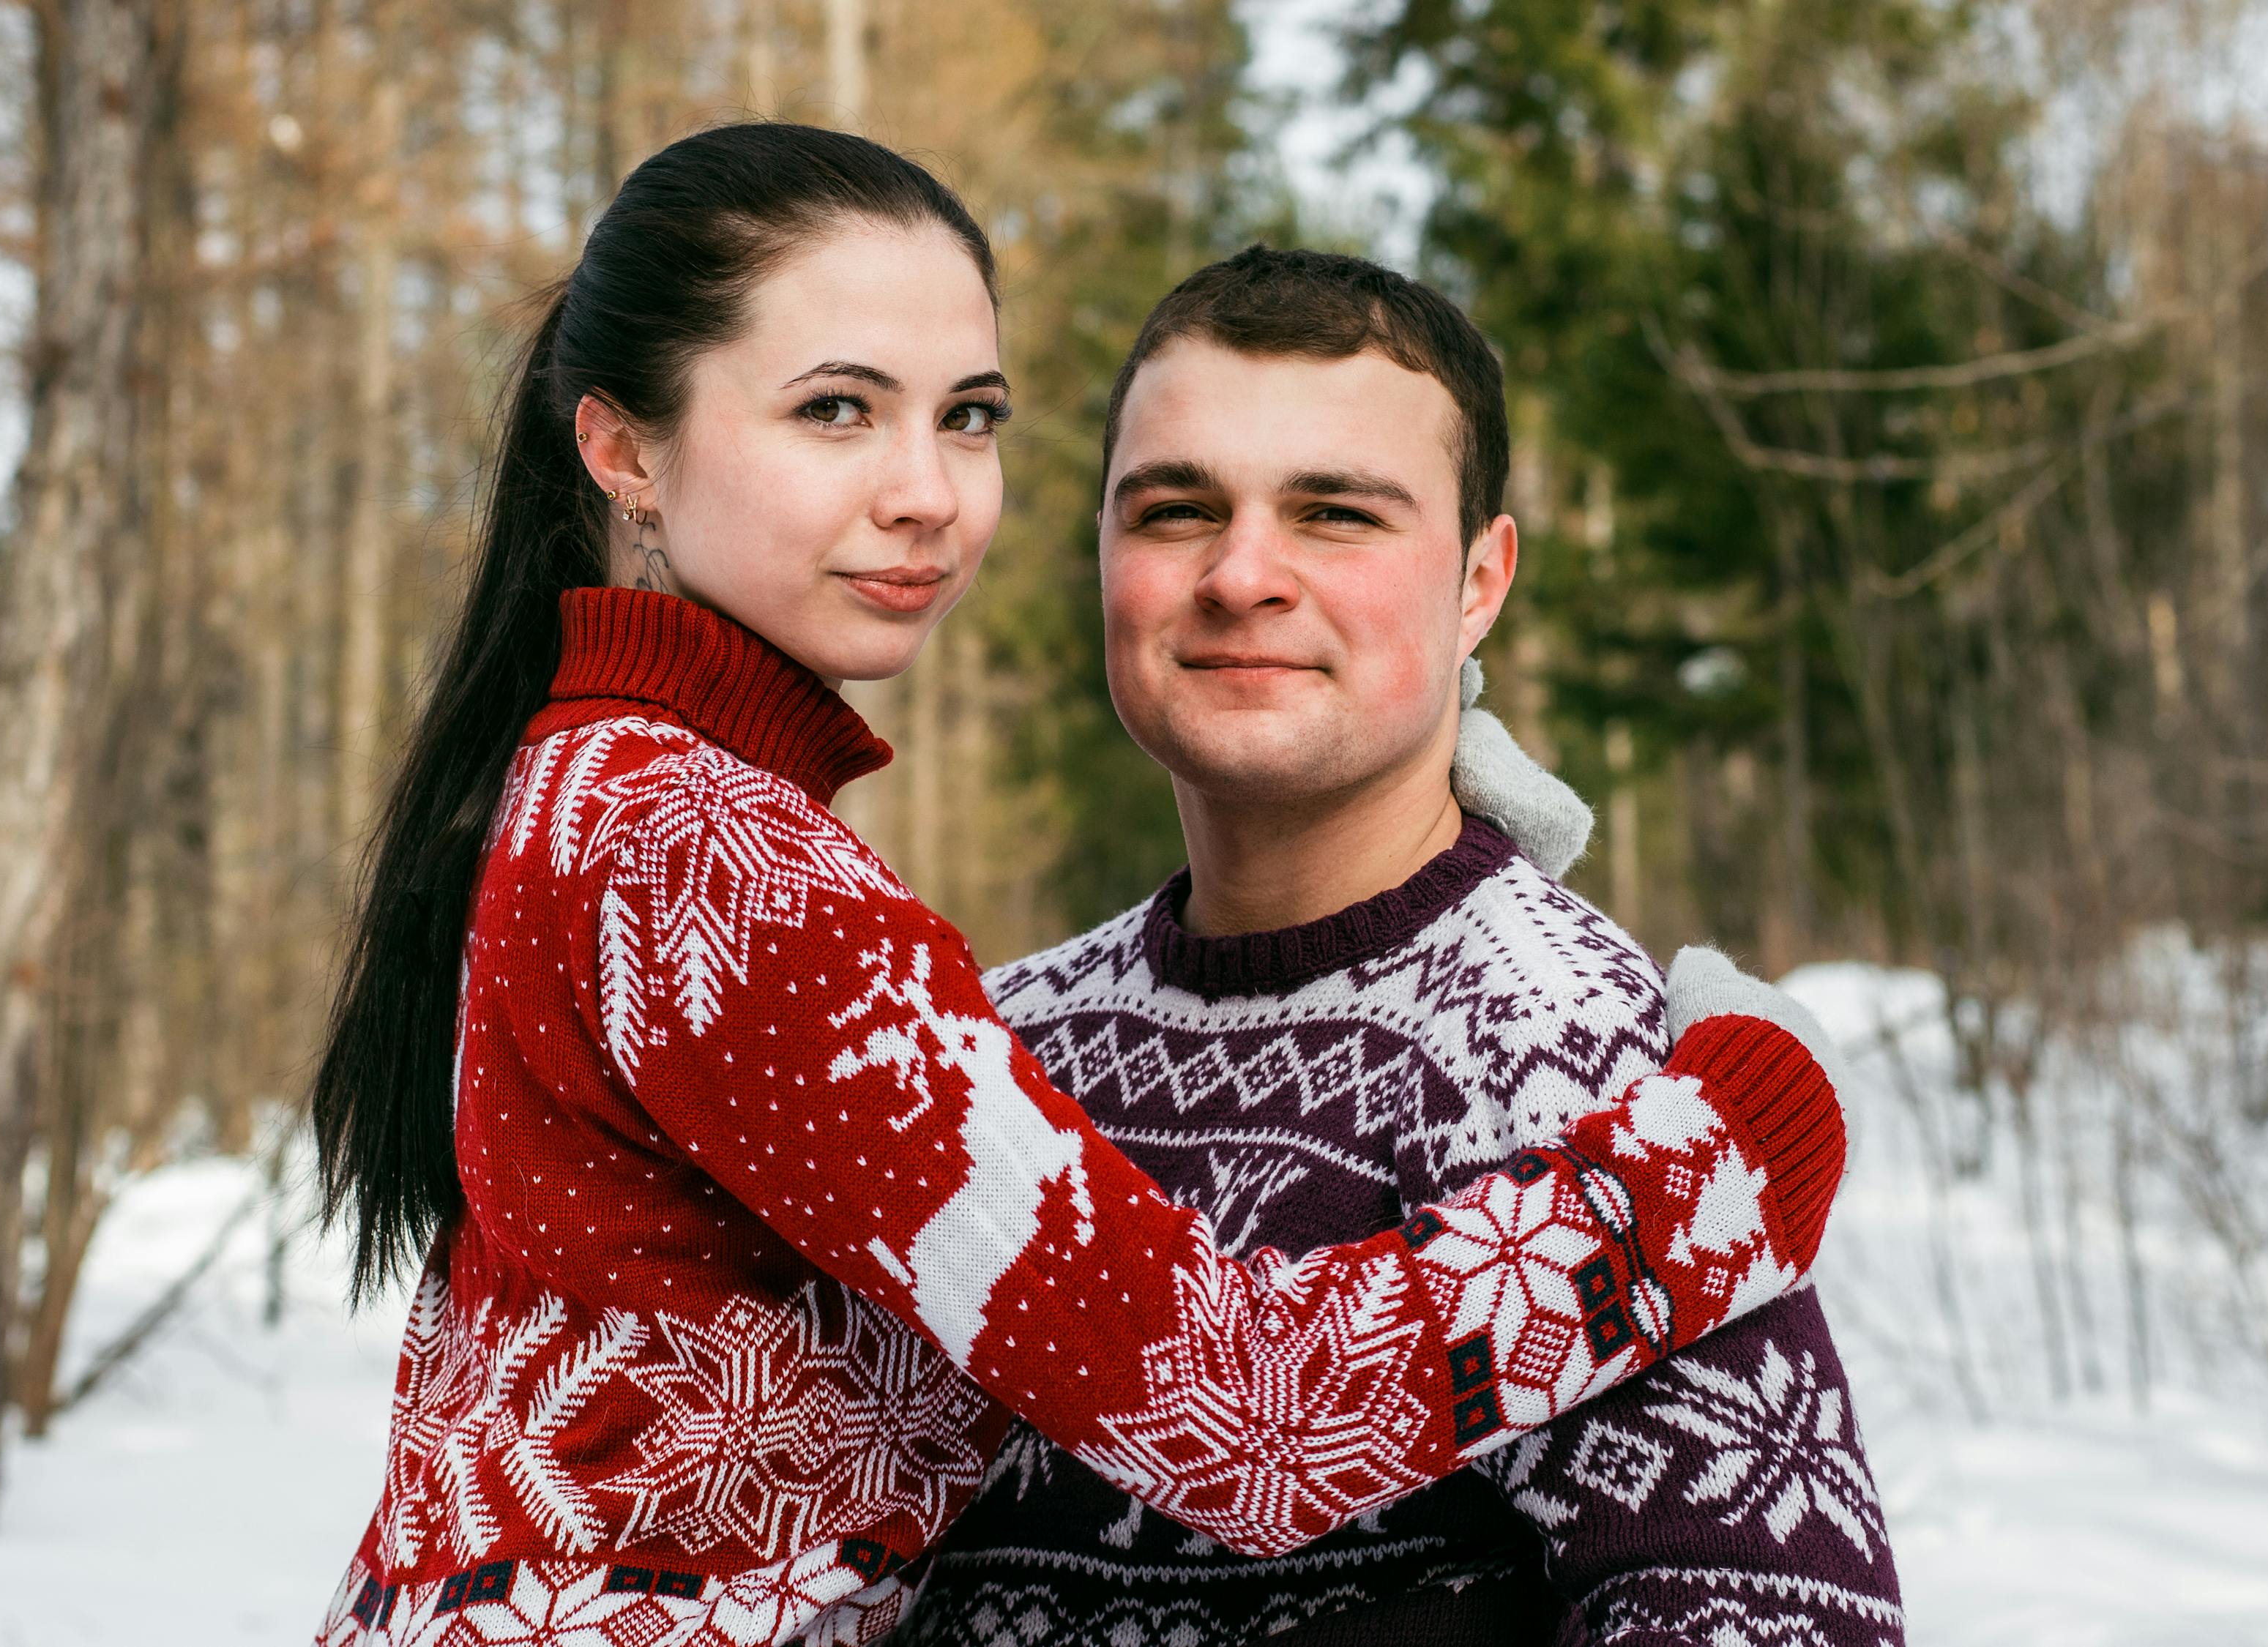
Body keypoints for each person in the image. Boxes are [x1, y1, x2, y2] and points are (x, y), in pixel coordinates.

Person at [308, 124, 1851, 1647]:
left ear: (1480, 580)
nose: (926, 491)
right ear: (625, 448)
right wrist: (1726, 1163)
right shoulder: (723, 867)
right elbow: (1248, 1426)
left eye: (967, 417)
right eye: (836, 410)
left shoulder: (589, 800)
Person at [901, 248, 1905, 1646]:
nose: (1243, 574)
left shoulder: (1572, 1052)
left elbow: (1779, 1615)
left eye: (1337, 513)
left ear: (1482, 579)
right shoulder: (995, 1039)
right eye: (1177, 507)